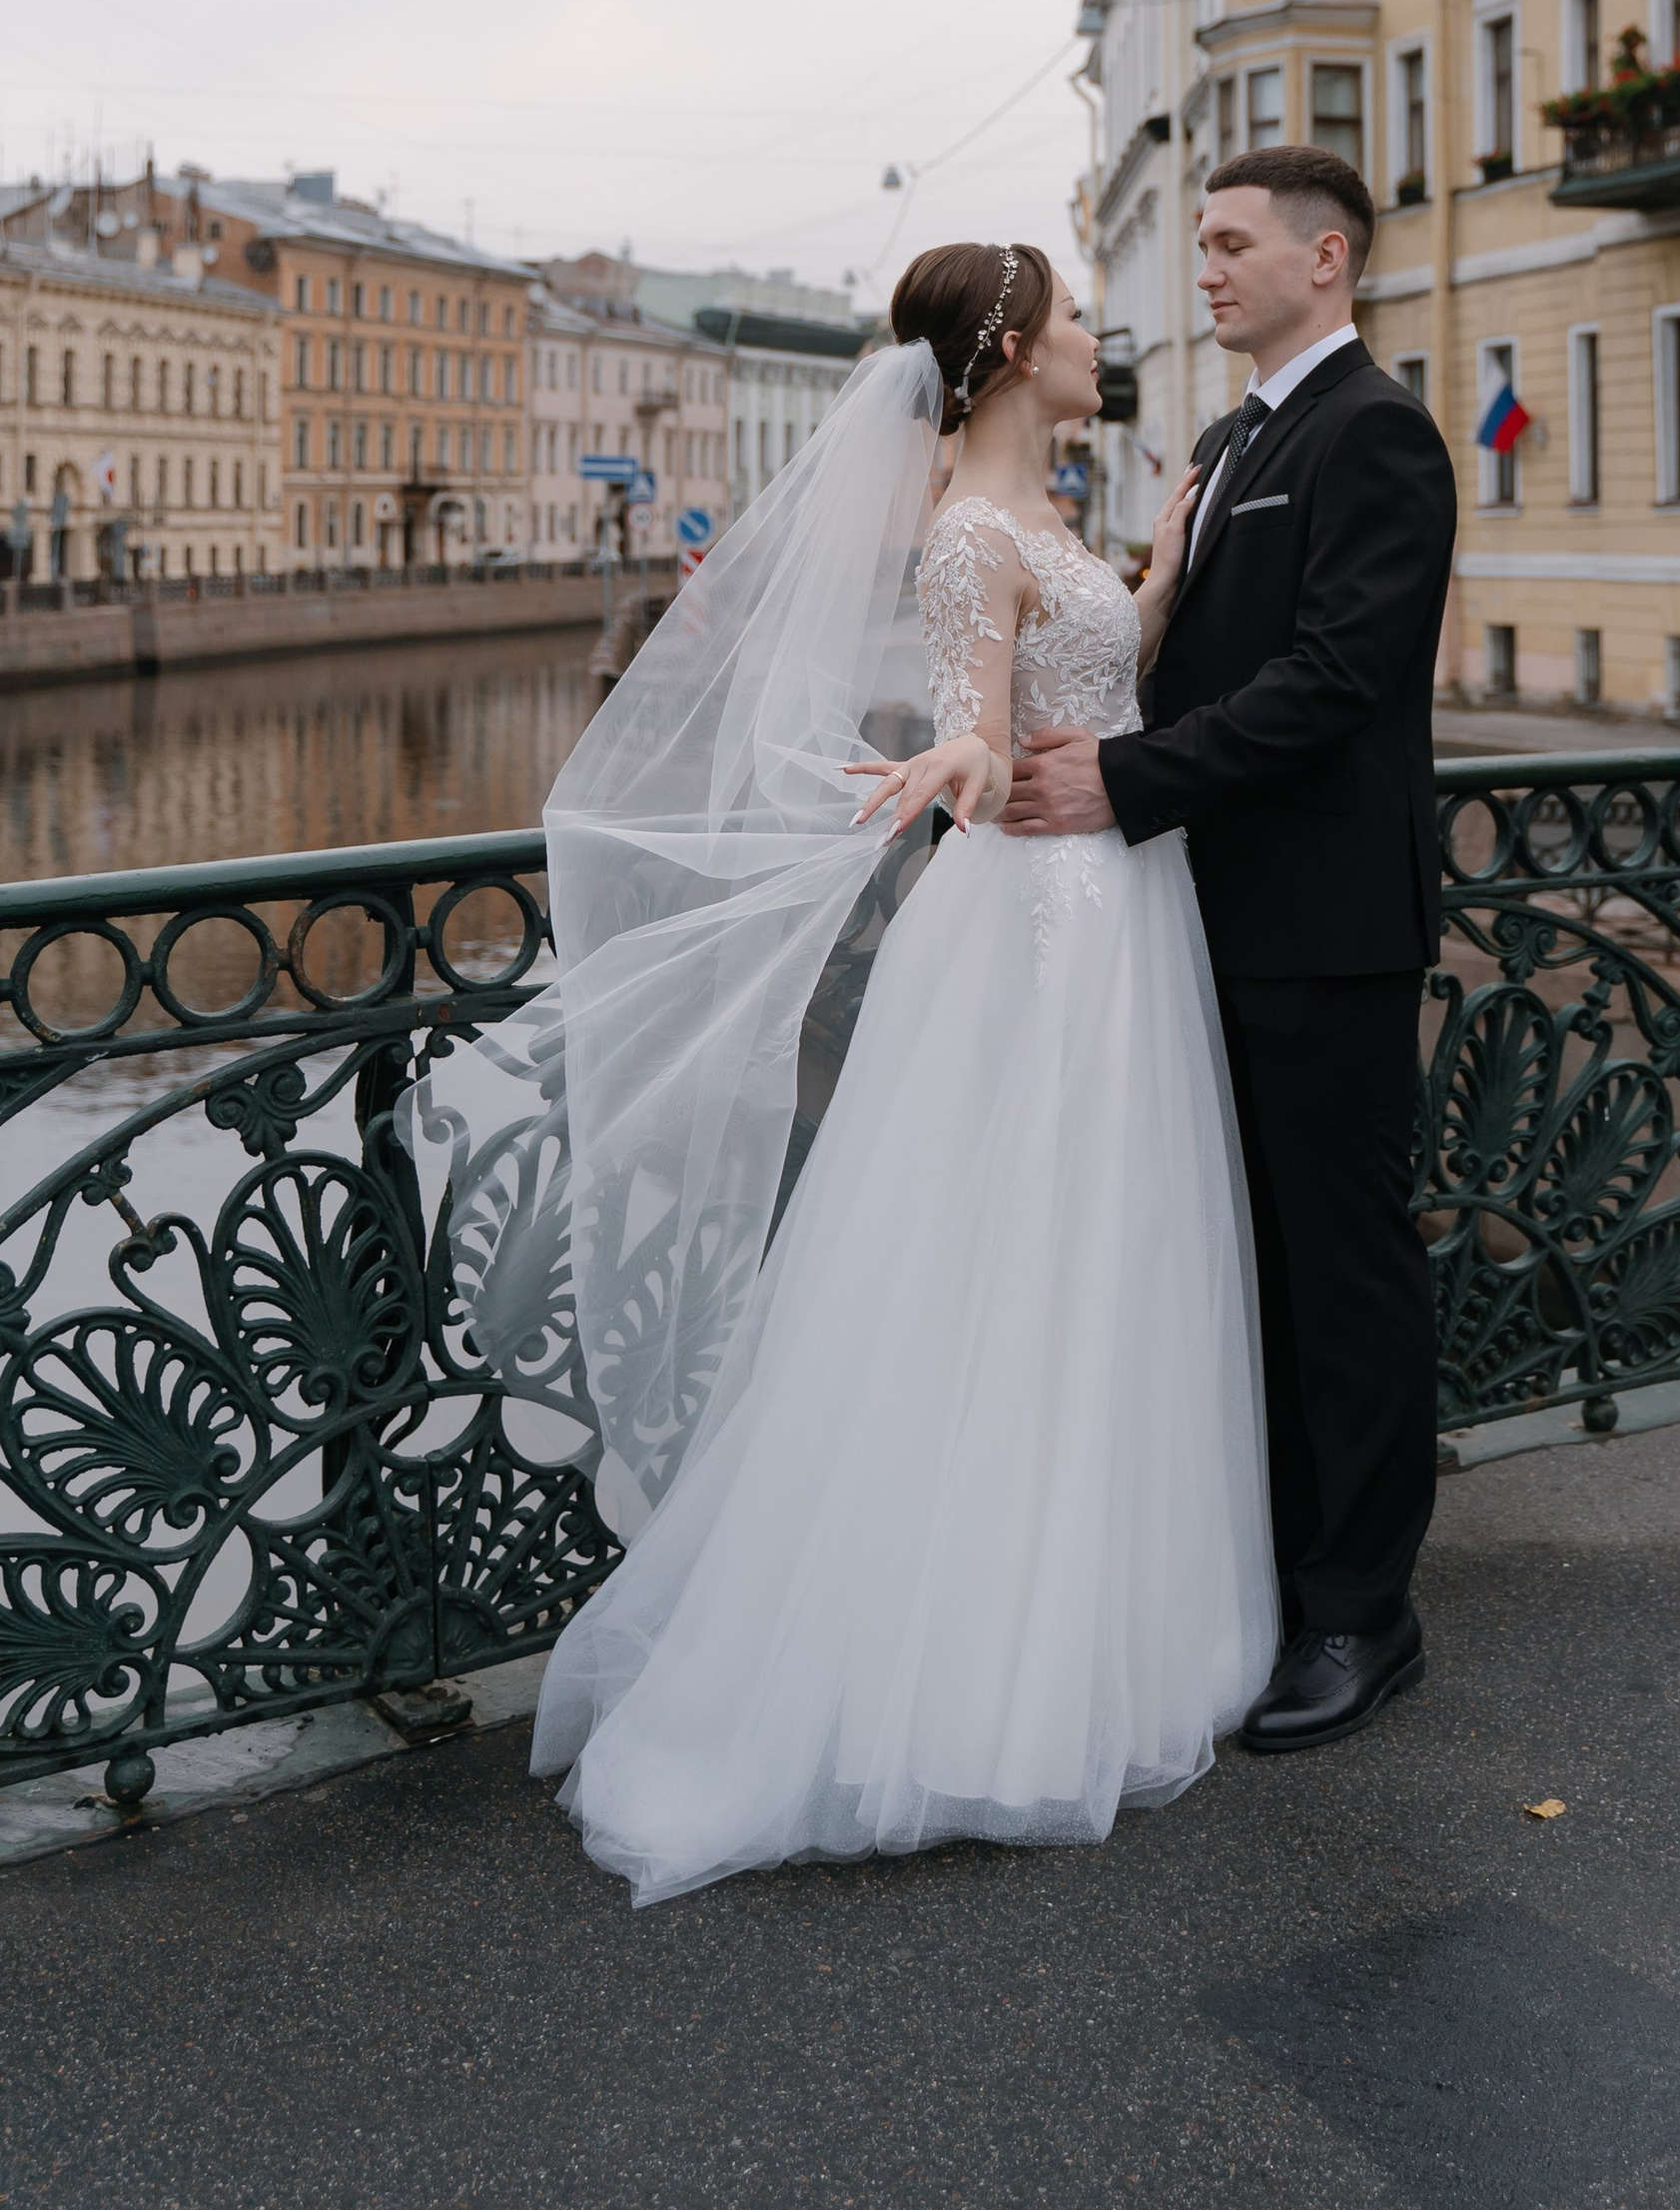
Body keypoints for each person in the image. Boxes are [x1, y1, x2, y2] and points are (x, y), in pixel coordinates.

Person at [410, 243, 1273, 1903]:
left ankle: (1087, 1621)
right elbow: (979, 724)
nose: (1106, 339)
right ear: (1018, 347)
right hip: (1042, 923)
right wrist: (960, 752)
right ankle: (988, 1675)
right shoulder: (963, 532)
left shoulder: (1041, 521)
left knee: (1096, 1256)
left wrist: (1154, 586)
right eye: (1082, 317)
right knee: (1014, 1265)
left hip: (1110, 913)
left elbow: (1077, 662)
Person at [1005, 145, 1456, 1753]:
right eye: (1196, 244)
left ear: (1325, 260)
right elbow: (1187, 653)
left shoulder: (1377, 430)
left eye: (1229, 243)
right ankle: (1276, 1571)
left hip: (1328, 924)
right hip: (1214, 911)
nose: (1201, 270)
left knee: (1342, 1272)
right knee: (1249, 1261)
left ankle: (1364, 1612)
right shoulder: (1229, 435)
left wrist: (1126, 781)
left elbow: (1338, 679)